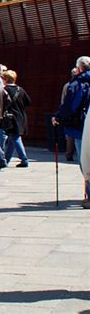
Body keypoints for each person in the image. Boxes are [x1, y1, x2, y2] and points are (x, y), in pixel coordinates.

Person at [53, 56, 90, 208]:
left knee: (86, 161)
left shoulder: (78, 83)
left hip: (81, 126)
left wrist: (58, 117)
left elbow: (70, 106)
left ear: (79, 68)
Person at [0, 70, 31, 168]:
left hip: (10, 117)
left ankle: (24, 159)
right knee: (12, 138)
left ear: (5, 79)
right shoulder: (20, 89)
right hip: (21, 117)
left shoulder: (4, 90)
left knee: (16, 138)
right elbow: (28, 102)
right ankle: (6, 160)